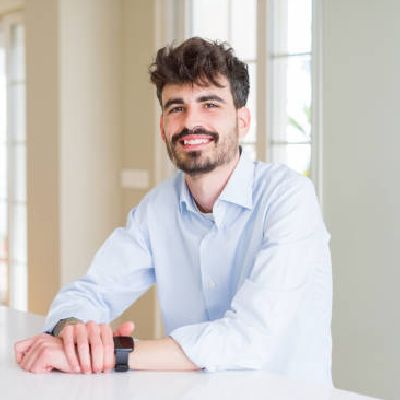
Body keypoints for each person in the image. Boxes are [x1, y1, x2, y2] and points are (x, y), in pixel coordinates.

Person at [14, 37, 333, 385]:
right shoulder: (157, 209)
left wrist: (115, 352)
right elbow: (90, 292)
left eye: (209, 104)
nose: (190, 122)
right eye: (176, 108)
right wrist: (75, 334)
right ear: (162, 128)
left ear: (242, 121)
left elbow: (249, 337)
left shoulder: (288, 197)